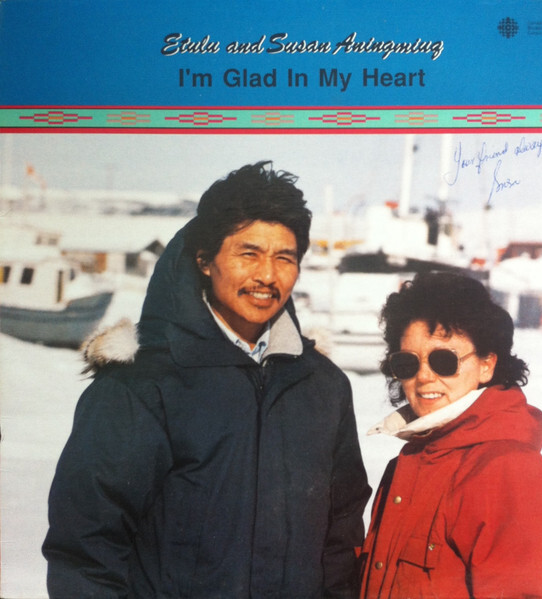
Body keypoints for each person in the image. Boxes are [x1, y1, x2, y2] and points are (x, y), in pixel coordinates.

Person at [43, 161, 371, 598]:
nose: (267, 275)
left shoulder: (322, 386)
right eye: (248, 254)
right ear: (204, 260)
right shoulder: (141, 386)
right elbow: (86, 551)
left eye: (284, 258)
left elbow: (341, 540)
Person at [359, 272, 542, 599]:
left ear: (487, 365)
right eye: (407, 363)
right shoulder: (406, 464)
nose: (424, 376)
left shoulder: (508, 469)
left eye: (443, 360)